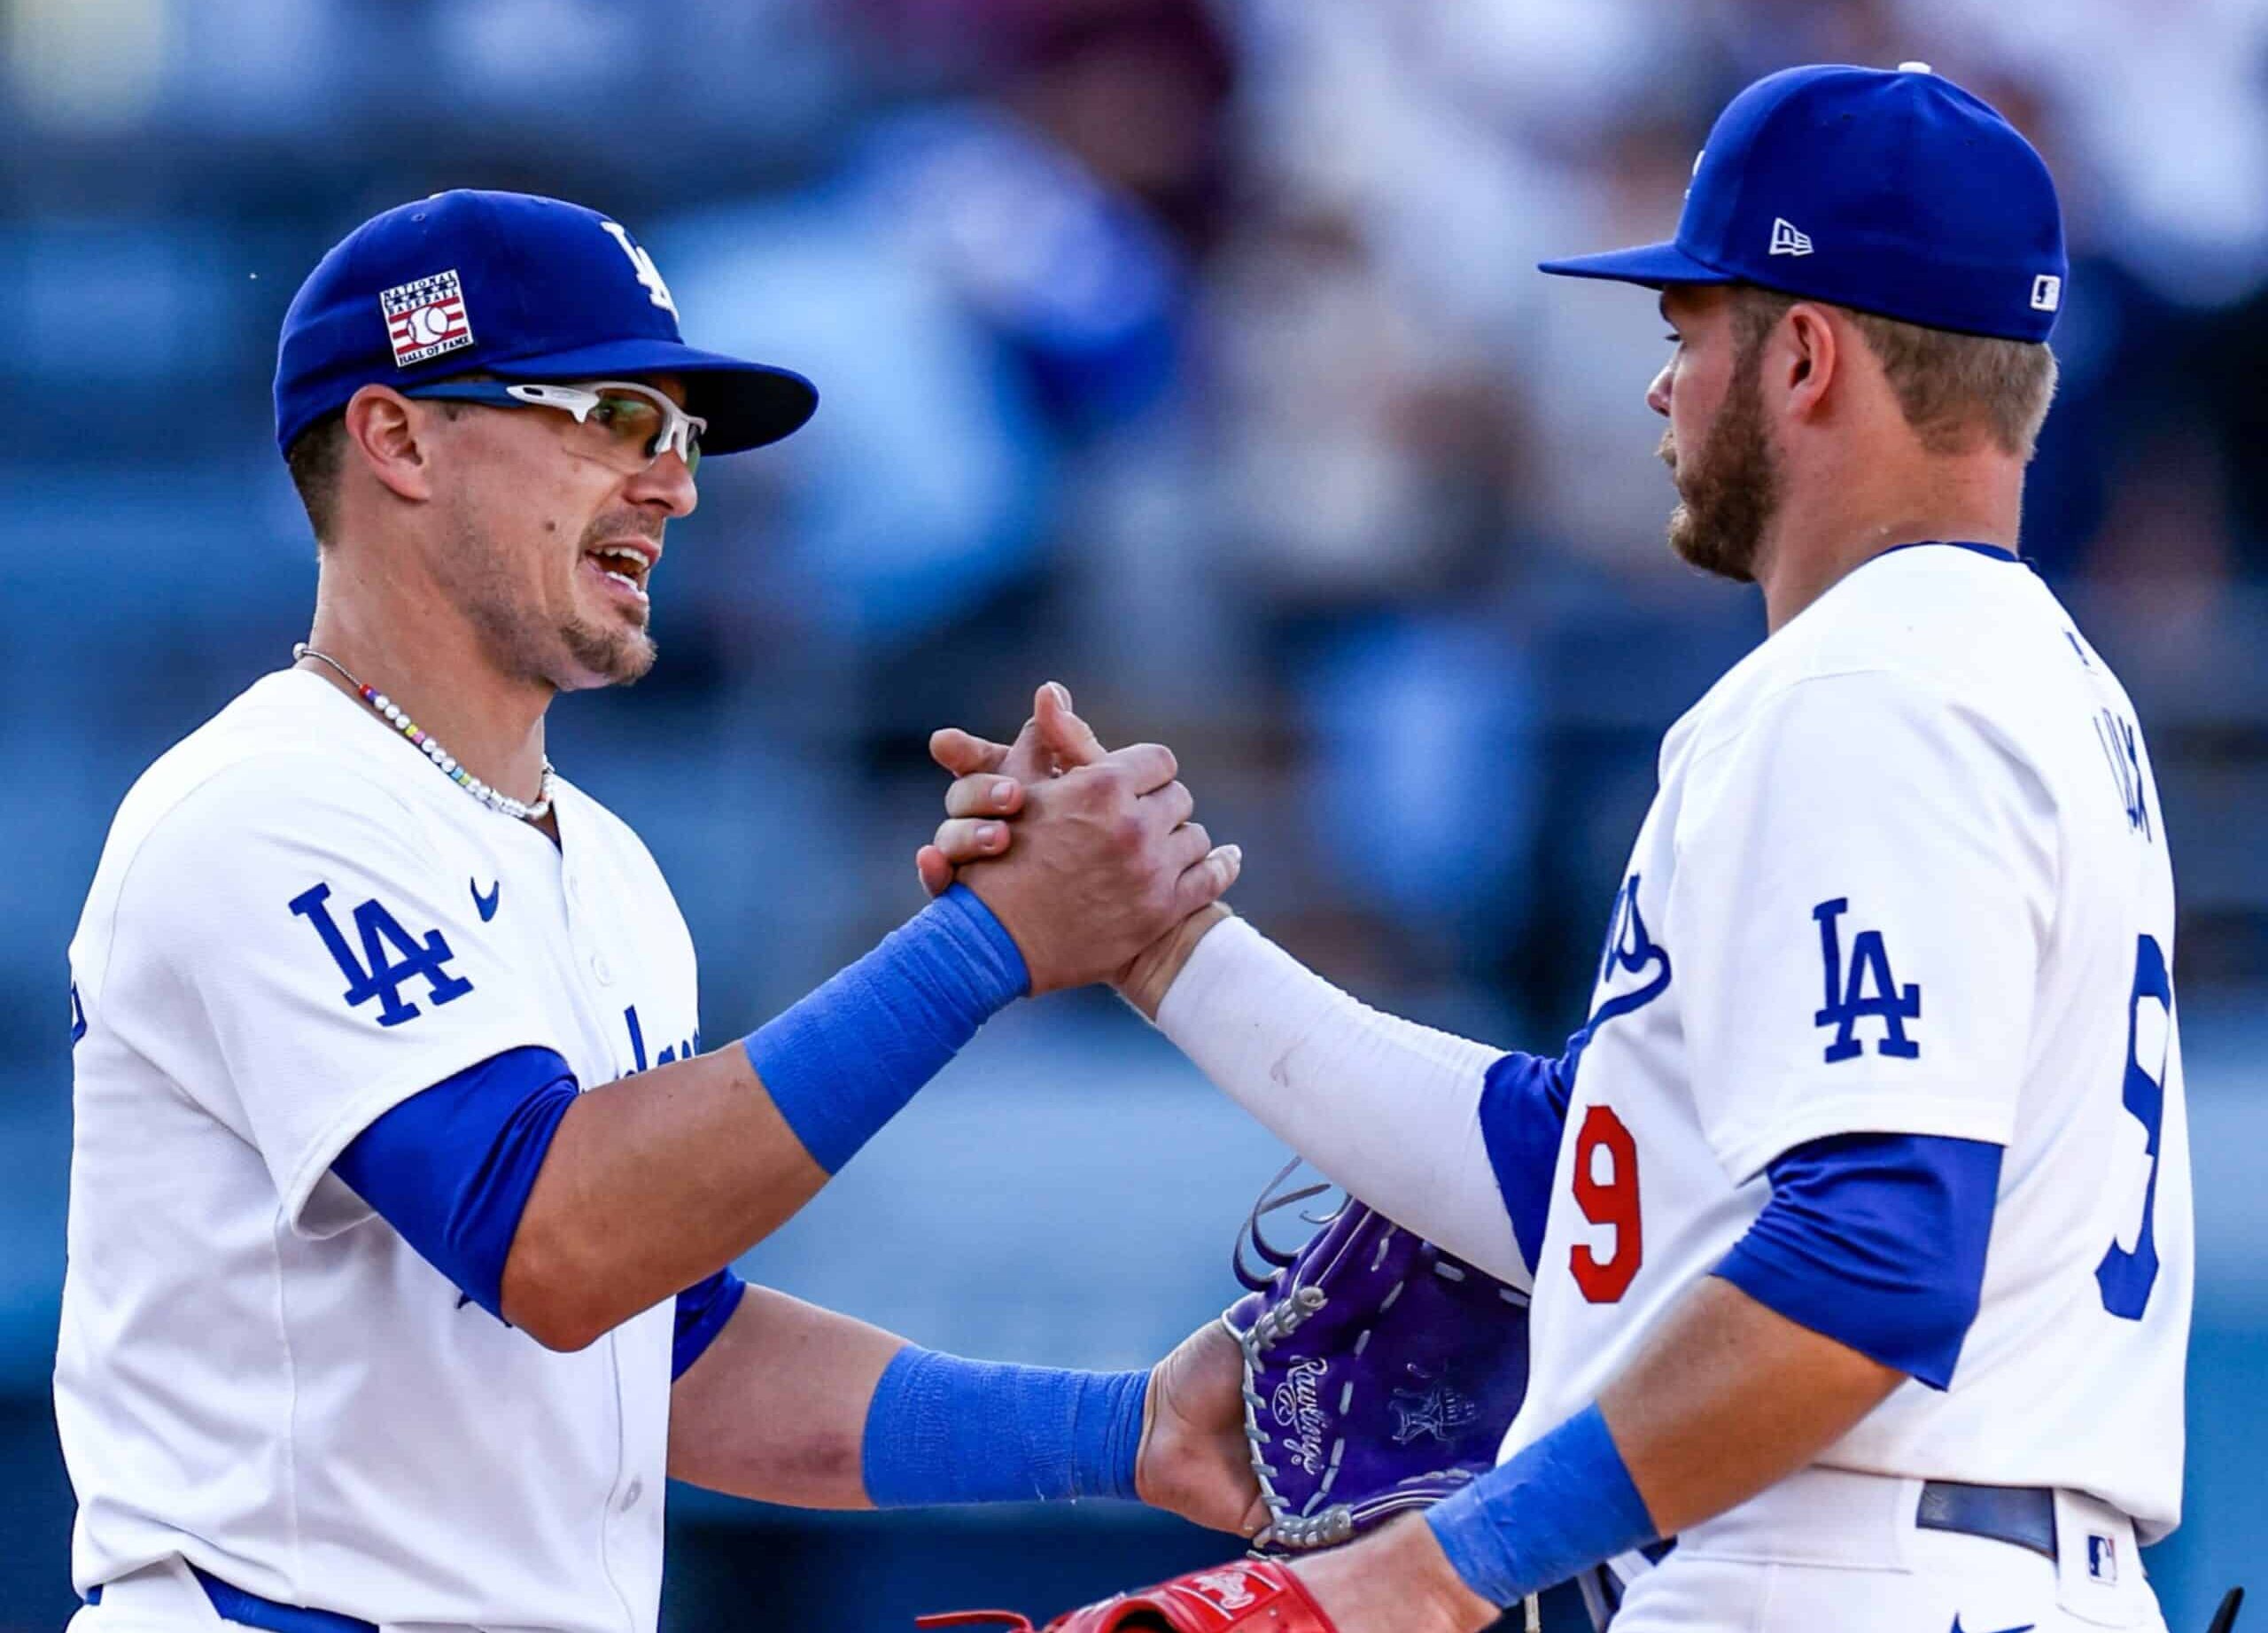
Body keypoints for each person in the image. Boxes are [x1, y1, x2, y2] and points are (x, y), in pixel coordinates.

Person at [921, 65, 2190, 1633]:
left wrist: (1432, 1569)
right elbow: (1593, 1179)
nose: (1660, 389)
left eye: (1686, 336)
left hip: (1848, 1566)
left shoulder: (1869, 689)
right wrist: (1170, 947)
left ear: (1801, 353)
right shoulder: (2022, 679)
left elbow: (1872, 1260)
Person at [57, 189, 1259, 1633]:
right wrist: (986, 944)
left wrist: (1122, 1432)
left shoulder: (611, 865)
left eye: (680, 438)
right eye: (612, 416)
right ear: (396, 438)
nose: (676, 484)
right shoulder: (259, 806)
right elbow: (554, 1244)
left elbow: (664, 1351)